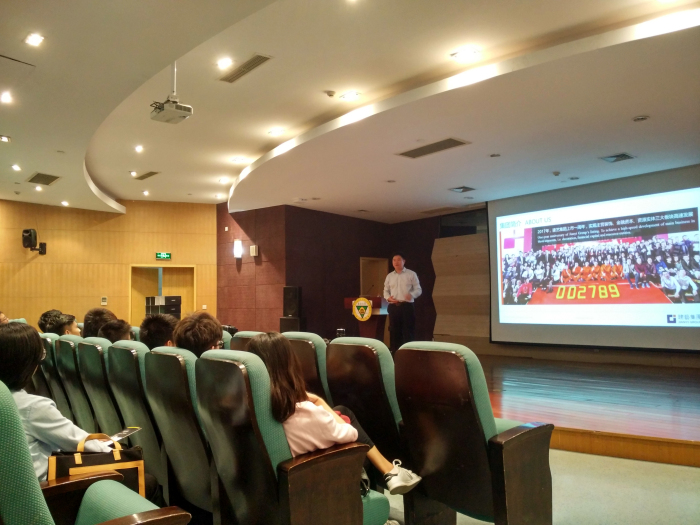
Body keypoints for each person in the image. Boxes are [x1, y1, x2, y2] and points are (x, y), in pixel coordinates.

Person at [1, 323, 164, 504]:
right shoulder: (33, 407)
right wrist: (121, 453)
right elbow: (80, 443)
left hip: (12, 497)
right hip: (46, 496)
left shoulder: (6, 399)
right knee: (147, 482)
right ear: (28, 363)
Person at [246, 332, 421, 496]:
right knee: (350, 423)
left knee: (342, 410)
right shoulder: (301, 412)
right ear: (288, 366)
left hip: (271, 487)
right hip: (318, 480)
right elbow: (351, 434)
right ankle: (389, 472)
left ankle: (390, 471)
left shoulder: (254, 407)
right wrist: (319, 402)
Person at [383, 253, 422, 354]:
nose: (396, 262)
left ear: (404, 261)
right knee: (394, 331)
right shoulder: (389, 276)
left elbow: (418, 289)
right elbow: (385, 291)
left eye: (399, 259)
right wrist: (388, 298)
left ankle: (408, 353)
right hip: (394, 307)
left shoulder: (411, 274)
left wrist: (411, 295)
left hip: (407, 307)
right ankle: (395, 353)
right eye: (394, 260)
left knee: (408, 331)